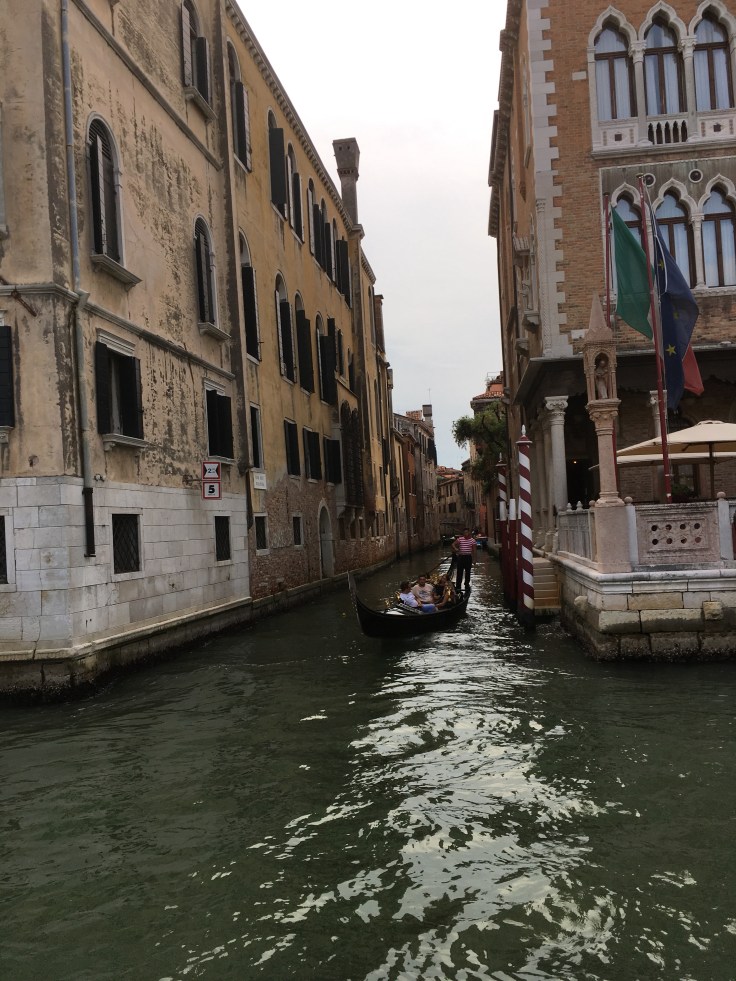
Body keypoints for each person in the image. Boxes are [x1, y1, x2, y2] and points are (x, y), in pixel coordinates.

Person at [452, 527, 476, 593]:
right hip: (461, 557)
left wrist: (474, 560)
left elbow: (474, 551)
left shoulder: (472, 540)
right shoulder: (460, 539)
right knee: (459, 572)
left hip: (468, 558)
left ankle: (466, 584)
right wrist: (456, 548)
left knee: (468, 572)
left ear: (469, 533)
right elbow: (453, 544)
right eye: (464, 532)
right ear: (463, 533)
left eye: (467, 532)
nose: (465, 534)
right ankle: (458, 585)